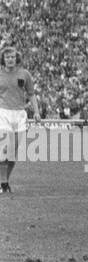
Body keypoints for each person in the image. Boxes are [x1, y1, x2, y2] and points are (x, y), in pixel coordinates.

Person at [0, 47, 35, 194]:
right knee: (4, 149)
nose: (10, 59)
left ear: (16, 58)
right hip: (4, 113)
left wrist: (37, 112)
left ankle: (5, 182)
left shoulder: (25, 74)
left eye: (12, 57)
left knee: (13, 154)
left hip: (20, 114)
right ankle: (2, 182)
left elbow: (31, 94)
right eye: (7, 57)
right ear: (3, 59)